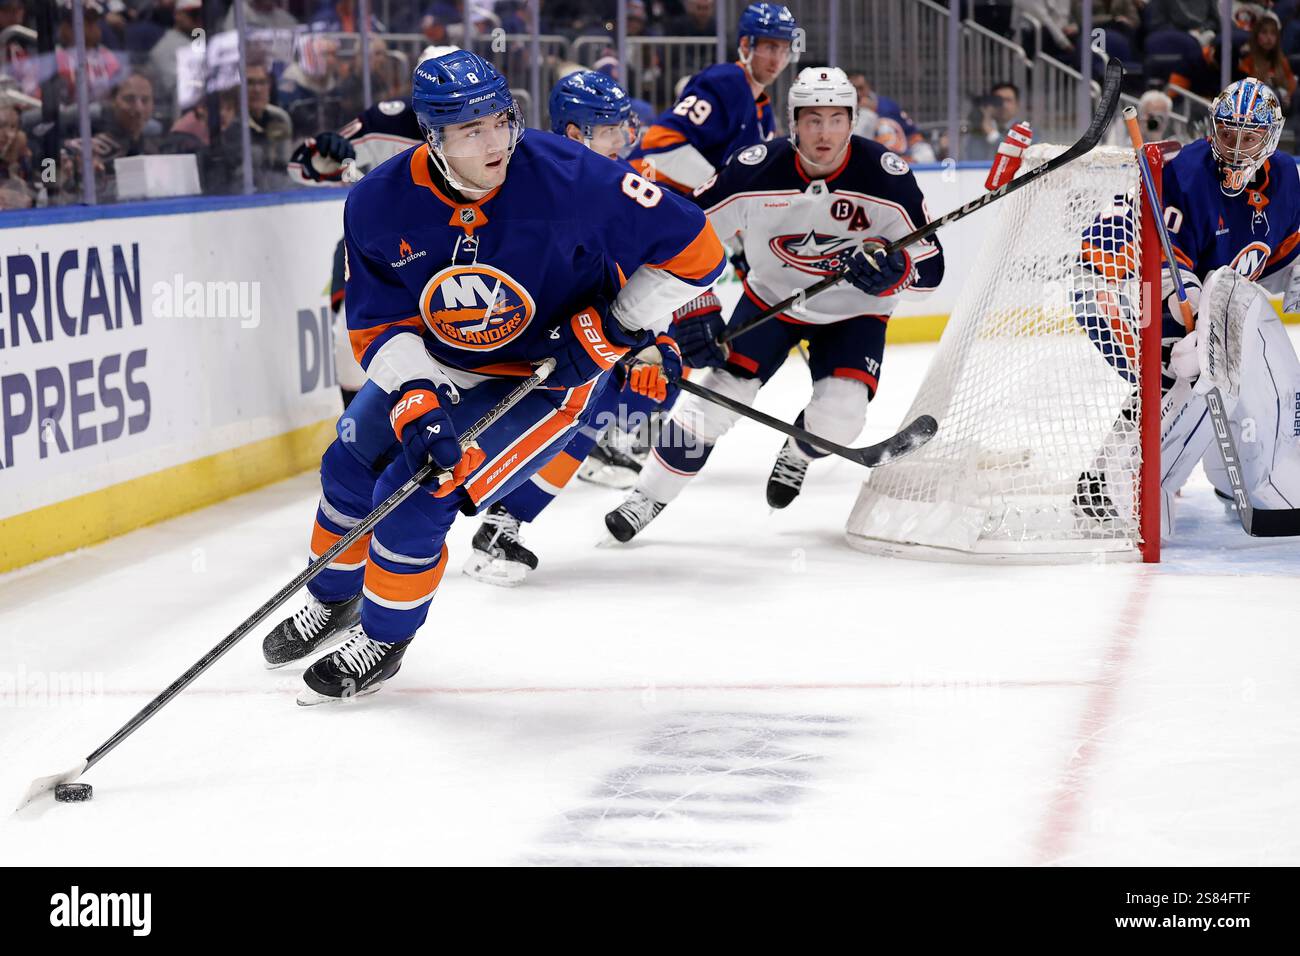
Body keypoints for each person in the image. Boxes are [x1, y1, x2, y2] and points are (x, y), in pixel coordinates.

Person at [260, 51, 725, 703]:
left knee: (420, 487)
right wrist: (415, 397)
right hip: (440, 360)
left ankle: (385, 637)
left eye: (500, 121)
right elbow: (375, 323)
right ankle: (333, 597)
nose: (494, 142)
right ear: (433, 137)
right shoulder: (376, 202)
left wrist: (617, 326)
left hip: (543, 380)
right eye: (470, 130)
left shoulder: (571, 176)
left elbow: (699, 248)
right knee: (347, 465)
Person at [604, 67, 946, 541]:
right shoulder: (755, 167)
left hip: (855, 312)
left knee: (841, 417)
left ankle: (800, 453)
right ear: (793, 123)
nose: (824, 133)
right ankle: (647, 496)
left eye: (835, 119)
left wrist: (897, 271)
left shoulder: (887, 177)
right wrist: (694, 308)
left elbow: (933, 270)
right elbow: (683, 239)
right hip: (770, 300)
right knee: (717, 401)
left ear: (852, 121)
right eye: (811, 120)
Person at [461, 68, 676, 586]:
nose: (623, 139)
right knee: (575, 406)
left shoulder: (618, 184)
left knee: (647, 387)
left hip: (588, 339)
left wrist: (653, 344)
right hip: (519, 338)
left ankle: (503, 519)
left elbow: (641, 275)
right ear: (576, 134)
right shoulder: (525, 184)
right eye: (610, 130)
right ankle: (459, 518)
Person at [1154, 77, 1300, 532]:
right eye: (1227, 134)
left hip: (1227, 309)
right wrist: (1191, 318)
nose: (1236, 149)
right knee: (1189, 374)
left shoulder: (1288, 178)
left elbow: (1282, 258)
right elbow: (1169, 260)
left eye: (1249, 137)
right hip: (1157, 300)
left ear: (1270, 138)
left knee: (1254, 376)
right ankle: (1139, 480)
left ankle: (1229, 472)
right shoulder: (1189, 173)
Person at [627, 2, 796, 195]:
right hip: (642, 187)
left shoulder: (764, 113)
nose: (778, 60)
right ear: (746, 45)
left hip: (681, 202)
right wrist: (718, 189)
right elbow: (660, 141)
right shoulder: (726, 82)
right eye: (770, 47)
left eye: (784, 49)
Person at [1236, 12, 1296, 112]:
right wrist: (1261, 73)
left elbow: (1291, 82)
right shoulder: (1247, 58)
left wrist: (1288, 95)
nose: (1269, 38)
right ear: (1256, 36)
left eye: (1273, 33)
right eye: (1264, 33)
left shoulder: (1281, 60)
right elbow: (1243, 89)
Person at [962, 81, 1021, 161]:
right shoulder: (977, 132)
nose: (1003, 105)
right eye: (998, 100)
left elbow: (1019, 156)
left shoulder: (1028, 132)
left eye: (1008, 100)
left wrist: (991, 134)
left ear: (1017, 105)